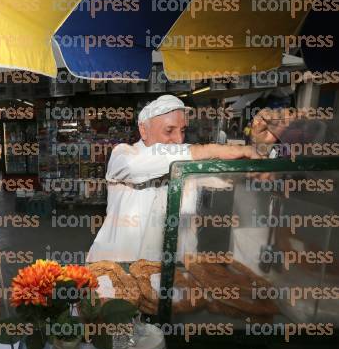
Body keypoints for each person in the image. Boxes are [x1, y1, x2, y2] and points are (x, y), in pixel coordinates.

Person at [87, 95, 261, 263]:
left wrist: (259, 150)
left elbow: (230, 179)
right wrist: (214, 150)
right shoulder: (124, 155)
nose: (178, 139)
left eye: (183, 130)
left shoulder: (188, 165)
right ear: (143, 130)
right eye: (169, 130)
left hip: (170, 278)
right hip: (119, 272)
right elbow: (137, 167)